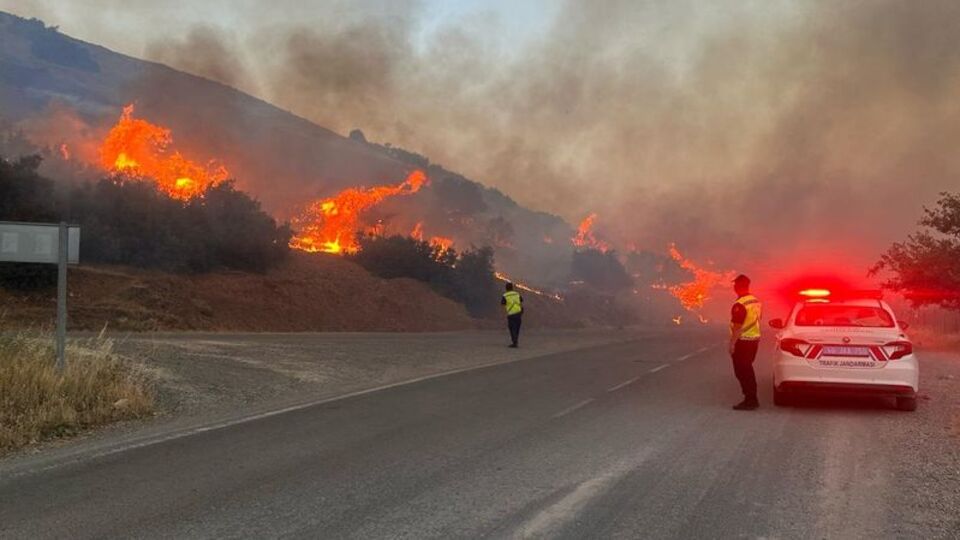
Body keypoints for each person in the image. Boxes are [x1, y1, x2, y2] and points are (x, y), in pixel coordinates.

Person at [729, 274, 762, 410]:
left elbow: (737, 326)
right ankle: (751, 398)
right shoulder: (755, 301)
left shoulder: (739, 304)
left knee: (742, 372)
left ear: (737, 287)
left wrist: (732, 343)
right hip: (754, 340)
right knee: (747, 370)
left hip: (743, 342)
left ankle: (750, 400)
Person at [501, 282, 523, 348]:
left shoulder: (505, 295)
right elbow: (521, 300)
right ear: (512, 288)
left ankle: (514, 342)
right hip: (519, 313)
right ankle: (516, 341)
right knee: (517, 328)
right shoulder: (517, 294)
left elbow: (502, 304)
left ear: (506, 288)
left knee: (512, 328)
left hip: (511, 314)